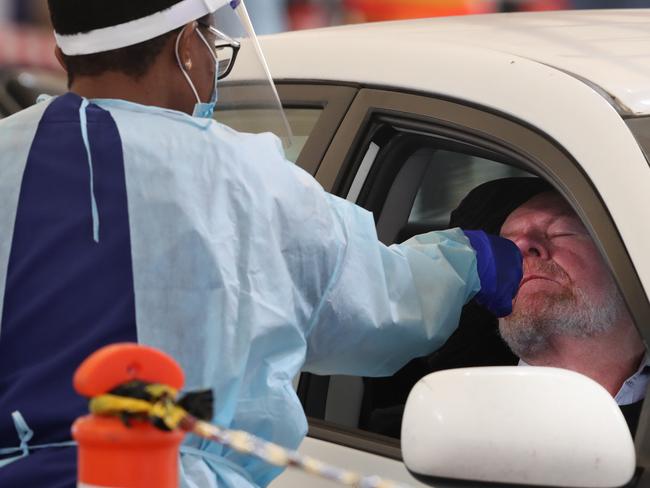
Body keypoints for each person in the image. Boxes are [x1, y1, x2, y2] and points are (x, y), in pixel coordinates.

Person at [0, 1, 523, 487]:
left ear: (62, 52)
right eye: (209, 39)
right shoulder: (247, 179)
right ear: (187, 47)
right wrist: (472, 263)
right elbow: (384, 306)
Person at [366, 177, 647, 437]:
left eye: (562, 232)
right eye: (506, 243)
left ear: (627, 257)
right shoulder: (433, 430)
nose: (522, 245)